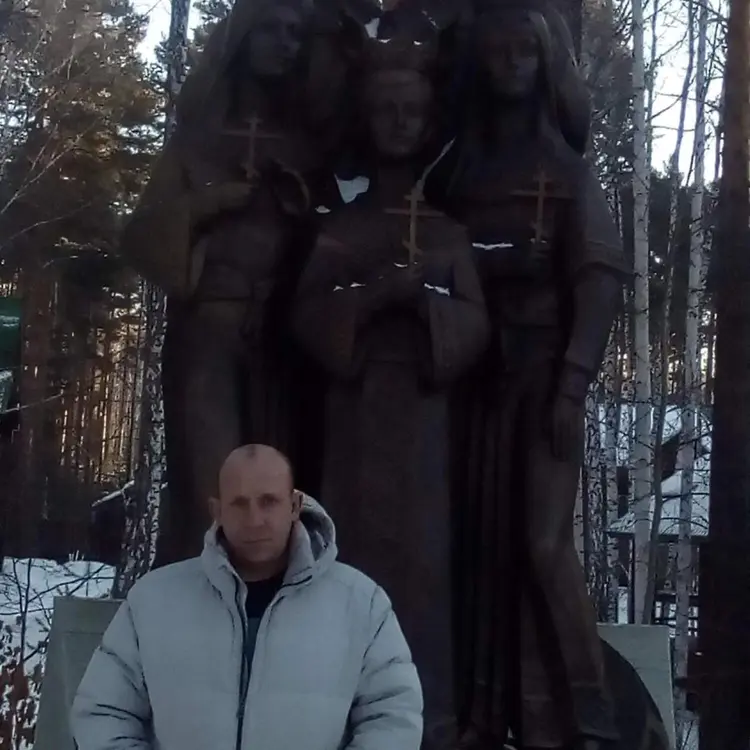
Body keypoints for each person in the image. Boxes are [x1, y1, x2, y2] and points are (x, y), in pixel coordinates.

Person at [71, 444, 423, 750]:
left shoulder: (361, 603)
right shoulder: (154, 600)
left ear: (295, 505)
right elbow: (103, 712)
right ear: (217, 511)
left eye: (269, 501)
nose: (254, 520)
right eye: (239, 504)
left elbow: (393, 715)